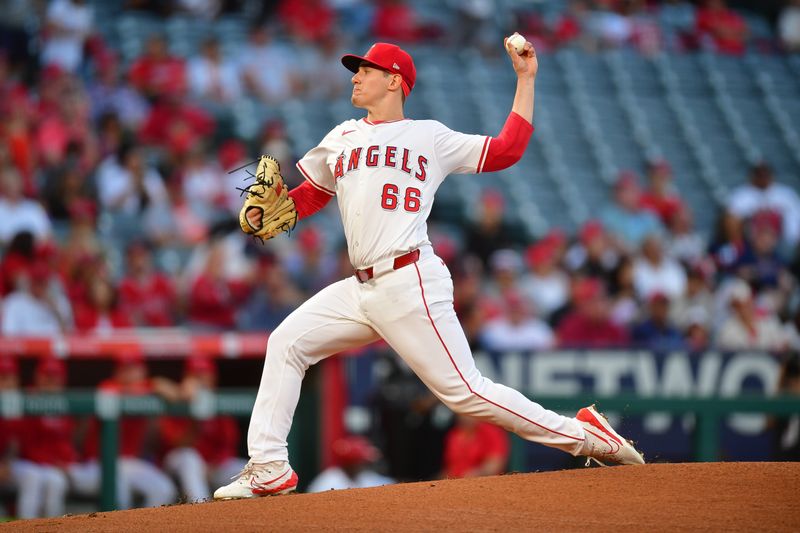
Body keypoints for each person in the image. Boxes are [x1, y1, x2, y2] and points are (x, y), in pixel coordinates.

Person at [214, 37, 644, 501]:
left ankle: (587, 436)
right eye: (355, 70)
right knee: (287, 343)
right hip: (360, 289)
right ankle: (269, 466)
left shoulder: (429, 136)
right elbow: (313, 193)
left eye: (366, 70)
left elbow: (506, 150)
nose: (355, 77)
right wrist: (272, 213)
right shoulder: (342, 136)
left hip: (409, 278)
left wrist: (526, 79)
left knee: (466, 393)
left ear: (394, 80)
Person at [306, 436, 394, 493]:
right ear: (351, 463)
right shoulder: (328, 481)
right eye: (360, 461)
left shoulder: (365, 477)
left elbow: (390, 486)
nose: (363, 465)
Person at [443, 415, 509, 479]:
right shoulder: (453, 434)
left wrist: (478, 473)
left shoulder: (491, 431)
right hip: (456, 484)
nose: (465, 418)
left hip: (483, 484)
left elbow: (495, 464)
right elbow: (451, 468)